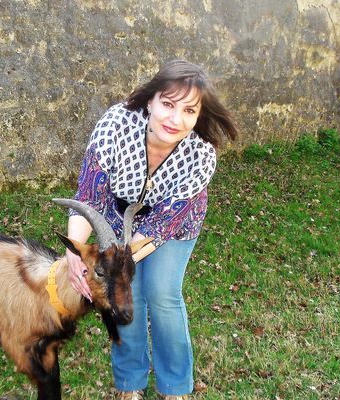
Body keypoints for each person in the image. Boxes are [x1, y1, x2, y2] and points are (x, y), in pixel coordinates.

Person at [64, 59, 238, 400]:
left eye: (189, 110)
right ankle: (129, 384)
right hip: (117, 214)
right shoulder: (115, 124)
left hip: (172, 225)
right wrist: (75, 250)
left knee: (161, 293)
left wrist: (116, 265)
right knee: (127, 294)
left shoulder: (202, 155)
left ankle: (174, 387)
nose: (175, 119)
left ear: (198, 116)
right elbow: (89, 194)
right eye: (168, 104)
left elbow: (160, 225)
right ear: (150, 101)